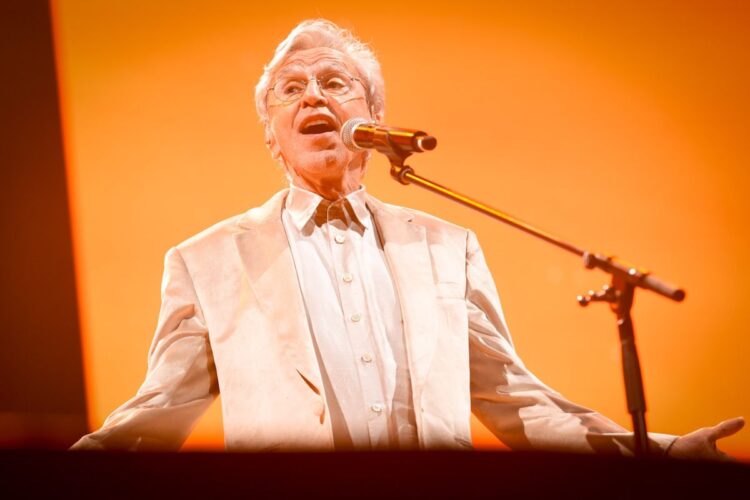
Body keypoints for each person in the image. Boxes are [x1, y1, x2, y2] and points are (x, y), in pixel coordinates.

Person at [71, 19, 743, 457]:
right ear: (269, 133)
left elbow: (517, 401)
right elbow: (156, 415)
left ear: (374, 117)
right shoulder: (208, 260)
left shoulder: (446, 247)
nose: (313, 99)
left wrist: (656, 452)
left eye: (336, 84)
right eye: (290, 89)